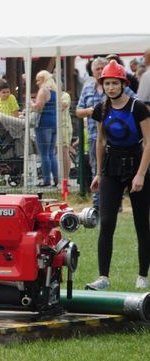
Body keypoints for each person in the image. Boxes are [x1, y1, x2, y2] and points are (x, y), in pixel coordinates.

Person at [85, 60, 150, 291]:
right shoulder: (101, 109)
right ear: (102, 85)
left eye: (115, 83)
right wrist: (98, 173)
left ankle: (143, 275)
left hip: (136, 164)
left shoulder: (138, 107)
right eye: (107, 83)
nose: (111, 87)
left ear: (123, 84)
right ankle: (103, 277)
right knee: (107, 222)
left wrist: (141, 174)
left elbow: (149, 142)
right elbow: (100, 142)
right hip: (111, 167)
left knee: (142, 223)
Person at [76, 57, 136, 209]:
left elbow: (135, 102)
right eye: (98, 69)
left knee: (118, 171)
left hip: (117, 138)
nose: (101, 70)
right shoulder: (87, 88)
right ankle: (98, 206)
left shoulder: (119, 86)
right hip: (94, 135)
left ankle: (116, 202)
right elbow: (78, 111)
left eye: (103, 68)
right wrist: (92, 111)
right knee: (97, 168)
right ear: (93, 71)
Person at [60, 91, 73, 181]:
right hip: (52, 126)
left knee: (65, 151)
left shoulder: (65, 95)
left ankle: (65, 178)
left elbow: (63, 106)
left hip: (64, 126)